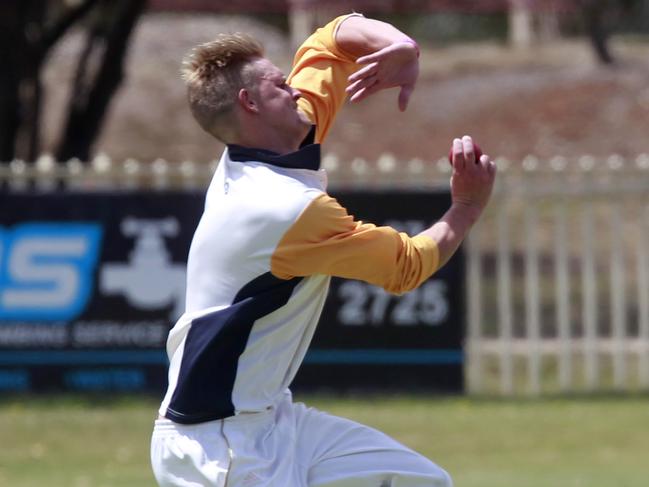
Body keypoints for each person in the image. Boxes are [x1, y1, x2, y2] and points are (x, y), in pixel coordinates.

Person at [150, 13, 495, 487]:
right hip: (220, 445)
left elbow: (331, 41)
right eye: (278, 84)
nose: (294, 88)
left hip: (273, 420)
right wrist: (467, 206)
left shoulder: (274, 143)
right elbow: (406, 266)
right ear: (250, 103)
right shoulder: (281, 208)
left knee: (425, 482)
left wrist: (401, 46)